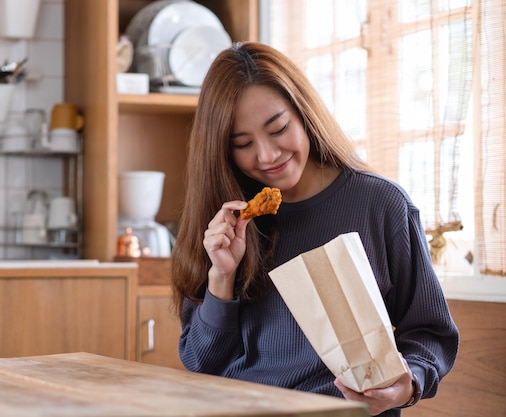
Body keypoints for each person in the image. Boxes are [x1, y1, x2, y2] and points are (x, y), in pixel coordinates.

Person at [171, 42, 459, 417]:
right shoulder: (225, 224)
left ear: (304, 114)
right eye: (242, 144)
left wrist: (409, 383)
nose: (267, 155)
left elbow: (430, 333)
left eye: (278, 129)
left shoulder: (380, 204)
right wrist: (222, 278)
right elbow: (199, 361)